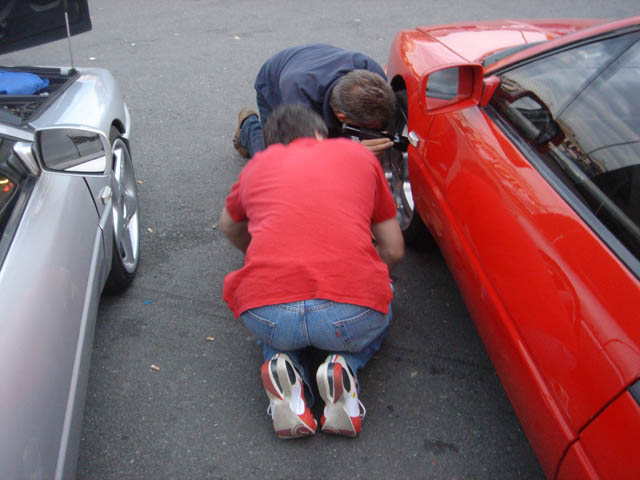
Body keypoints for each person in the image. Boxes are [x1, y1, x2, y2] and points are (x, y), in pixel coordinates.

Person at [220, 104, 404, 439]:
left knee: (278, 333)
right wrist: (372, 276)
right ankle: (344, 367)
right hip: (348, 317)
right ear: (320, 134)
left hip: (268, 311)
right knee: (384, 293)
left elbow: (228, 226)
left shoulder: (257, 166)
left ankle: (284, 369)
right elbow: (393, 249)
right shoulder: (358, 156)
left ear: (273, 146)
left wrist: (256, 254)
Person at [232, 43, 397, 159]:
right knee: (275, 160)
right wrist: (353, 153)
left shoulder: (371, 71)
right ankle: (248, 127)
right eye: (372, 127)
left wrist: (378, 135)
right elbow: (305, 155)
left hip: (312, 62)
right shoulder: (299, 98)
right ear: (342, 117)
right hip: (274, 83)